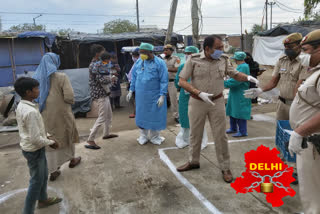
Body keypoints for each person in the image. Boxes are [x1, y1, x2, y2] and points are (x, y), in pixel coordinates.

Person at [176, 35, 259, 183]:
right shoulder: (193, 59)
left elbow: (234, 73)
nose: (222, 50)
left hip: (217, 101)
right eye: (218, 48)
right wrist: (198, 93)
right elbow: (182, 81)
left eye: (222, 47)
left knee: (220, 135)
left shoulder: (224, 59)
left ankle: (225, 167)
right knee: (195, 134)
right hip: (197, 101)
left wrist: (248, 78)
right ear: (207, 49)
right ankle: (193, 161)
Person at [14, 77, 62, 214]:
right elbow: (35, 139)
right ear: (28, 92)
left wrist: (46, 135)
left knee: (42, 175)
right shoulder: (30, 112)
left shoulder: (23, 105)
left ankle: (42, 200)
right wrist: (52, 142)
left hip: (34, 149)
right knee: (36, 181)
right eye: (36, 89)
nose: (38, 91)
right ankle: (27, 211)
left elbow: (34, 130)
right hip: (34, 150)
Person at [32, 53, 81, 181]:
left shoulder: (36, 78)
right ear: (55, 62)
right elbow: (69, 96)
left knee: (50, 139)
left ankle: (53, 169)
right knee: (66, 135)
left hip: (44, 114)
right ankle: (72, 159)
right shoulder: (61, 77)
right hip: (62, 114)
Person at [288, 29, 320, 214]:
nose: (303, 55)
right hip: (309, 141)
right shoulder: (314, 72)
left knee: (312, 189)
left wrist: (301, 131)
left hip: (313, 141)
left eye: (306, 50)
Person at [244, 33, 309, 120]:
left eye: (290, 46)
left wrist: (296, 105)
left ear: (299, 45)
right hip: (281, 104)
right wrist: (260, 90)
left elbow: (299, 84)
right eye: (285, 46)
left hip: (297, 104)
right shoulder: (282, 60)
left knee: (296, 131)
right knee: (281, 130)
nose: (287, 49)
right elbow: (273, 82)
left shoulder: (305, 61)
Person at [126, 43, 168, 145]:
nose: (142, 54)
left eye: (144, 52)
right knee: (141, 115)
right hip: (141, 96)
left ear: (150, 52)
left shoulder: (160, 63)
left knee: (155, 115)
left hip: (155, 95)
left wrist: (162, 95)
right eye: (141, 52)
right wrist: (131, 90)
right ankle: (143, 136)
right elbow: (134, 77)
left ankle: (155, 136)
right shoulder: (139, 62)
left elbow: (164, 80)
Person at [85, 44, 118, 150]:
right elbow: (101, 80)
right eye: (103, 52)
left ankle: (106, 133)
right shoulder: (95, 65)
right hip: (100, 93)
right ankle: (91, 139)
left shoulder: (98, 63)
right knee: (102, 117)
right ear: (97, 53)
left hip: (104, 93)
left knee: (109, 115)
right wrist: (111, 79)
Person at [174, 46, 208, 149]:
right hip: (185, 98)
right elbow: (178, 81)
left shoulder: (203, 66)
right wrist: (184, 86)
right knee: (185, 118)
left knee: (198, 119)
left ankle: (201, 142)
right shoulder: (182, 66)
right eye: (186, 53)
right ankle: (184, 140)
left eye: (190, 53)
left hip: (198, 96)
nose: (187, 55)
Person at [224, 52, 251, 137]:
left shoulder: (244, 66)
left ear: (236, 59)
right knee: (232, 110)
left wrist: (224, 83)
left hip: (240, 93)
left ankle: (243, 131)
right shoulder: (241, 66)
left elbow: (237, 80)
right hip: (235, 92)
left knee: (240, 112)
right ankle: (233, 128)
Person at [163, 44, 181, 123]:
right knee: (162, 99)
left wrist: (165, 69)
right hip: (163, 82)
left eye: (167, 50)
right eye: (164, 50)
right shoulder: (162, 59)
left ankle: (176, 115)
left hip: (172, 81)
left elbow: (177, 69)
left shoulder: (176, 59)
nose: (165, 52)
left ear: (171, 51)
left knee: (173, 99)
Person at [127, 49, 139, 118]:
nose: (133, 58)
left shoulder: (139, 63)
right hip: (133, 83)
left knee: (135, 99)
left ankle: (136, 112)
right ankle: (136, 112)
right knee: (134, 99)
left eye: (134, 56)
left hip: (136, 84)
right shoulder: (135, 63)